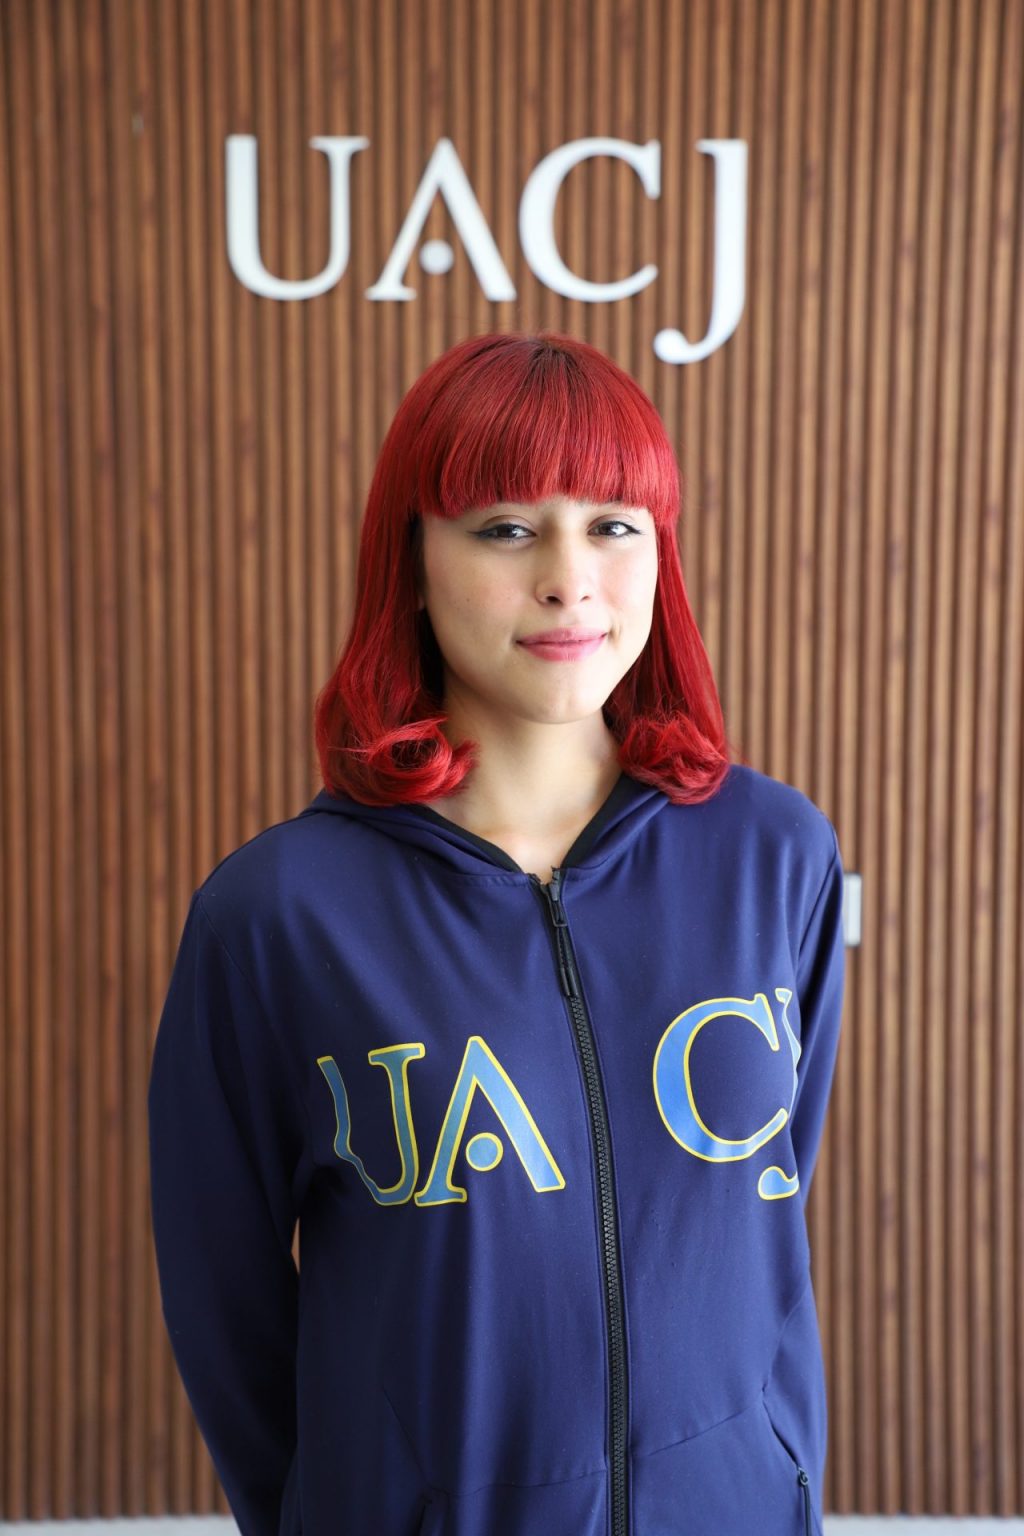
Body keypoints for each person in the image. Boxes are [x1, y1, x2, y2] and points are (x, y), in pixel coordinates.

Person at [147, 330, 846, 1536]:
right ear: (411, 565)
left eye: (613, 524)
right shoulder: (277, 915)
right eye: (507, 528)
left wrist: (776, 1474)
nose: (570, 579)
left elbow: (769, 1218)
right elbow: (227, 1309)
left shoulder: (773, 854)